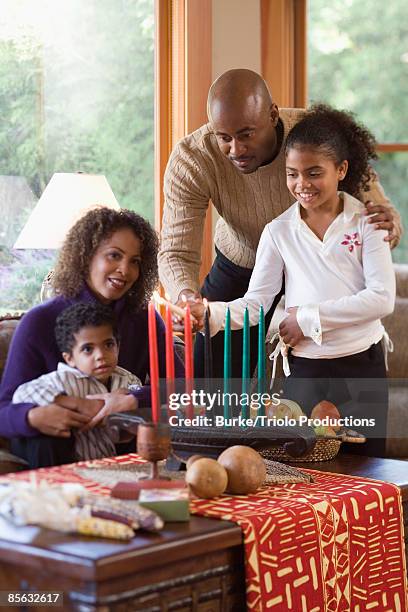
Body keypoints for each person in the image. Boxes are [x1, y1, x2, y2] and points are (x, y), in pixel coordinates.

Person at [159, 69, 401, 380]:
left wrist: (389, 225)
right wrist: (185, 296)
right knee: (208, 375)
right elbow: (176, 251)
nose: (236, 149)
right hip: (241, 262)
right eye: (224, 137)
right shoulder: (192, 158)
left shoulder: (314, 136)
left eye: (247, 134)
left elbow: (378, 210)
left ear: (272, 115)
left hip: (314, 264)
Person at [188, 104, 396, 457]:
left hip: (363, 365)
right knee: (304, 472)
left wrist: (306, 318)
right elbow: (255, 306)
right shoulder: (278, 232)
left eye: (314, 173)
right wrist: (208, 314)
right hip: (305, 372)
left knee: (366, 472)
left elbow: (381, 299)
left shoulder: (368, 223)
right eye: (292, 174)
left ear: (341, 169)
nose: (302, 185)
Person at [0, 207, 184, 468]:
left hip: (117, 440)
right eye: (114, 256)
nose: (125, 270)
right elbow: (4, 409)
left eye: (135, 261)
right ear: (86, 257)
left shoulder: (145, 320)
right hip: (51, 444)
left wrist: (133, 399)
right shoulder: (38, 322)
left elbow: (184, 391)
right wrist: (32, 417)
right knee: (45, 439)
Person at [12, 302, 143, 461]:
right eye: (88, 349)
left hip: (108, 460)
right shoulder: (64, 380)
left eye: (109, 345)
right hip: (71, 461)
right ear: (70, 358)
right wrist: (73, 403)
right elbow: (22, 393)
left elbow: (138, 416)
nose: (100, 355)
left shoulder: (128, 380)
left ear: (118, 346)